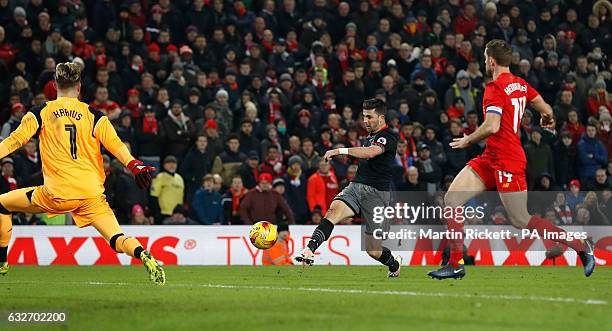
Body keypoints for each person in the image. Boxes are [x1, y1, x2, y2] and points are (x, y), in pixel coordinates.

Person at [428, 40, 595, 280]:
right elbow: (545, 108)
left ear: (492, 61)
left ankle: (580, 246)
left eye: (486, 59)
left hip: (508, 159)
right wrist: (547, 117)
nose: (485, 62)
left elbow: (492, 125)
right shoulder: (520, 84)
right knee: (452, 199)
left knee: (520, 219)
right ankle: (455, 263)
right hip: (491, 157)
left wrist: (468, 139)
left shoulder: (495, 87)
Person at [0, 63, 164, 284]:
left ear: (55, 84)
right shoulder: (95, 116)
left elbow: (15, 140)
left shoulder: (41, 112)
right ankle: (141, 253)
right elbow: (116, 145)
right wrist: (134, 165)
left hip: (57, 193)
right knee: (116, 238)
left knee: (3, 204)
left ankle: (2, 262)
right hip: (91, 194)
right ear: (79, 87)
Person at [296, 98, 402, 278]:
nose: (365, 121)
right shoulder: (369, 136)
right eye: (364, 116)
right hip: (356, 186)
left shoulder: (388, 137)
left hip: (376, 195)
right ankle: (309, 249)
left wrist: (340, 150)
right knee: (332, 212)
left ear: (381, 118)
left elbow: (371, 152)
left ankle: (394, 263)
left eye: (370, 117)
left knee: (373, 250)